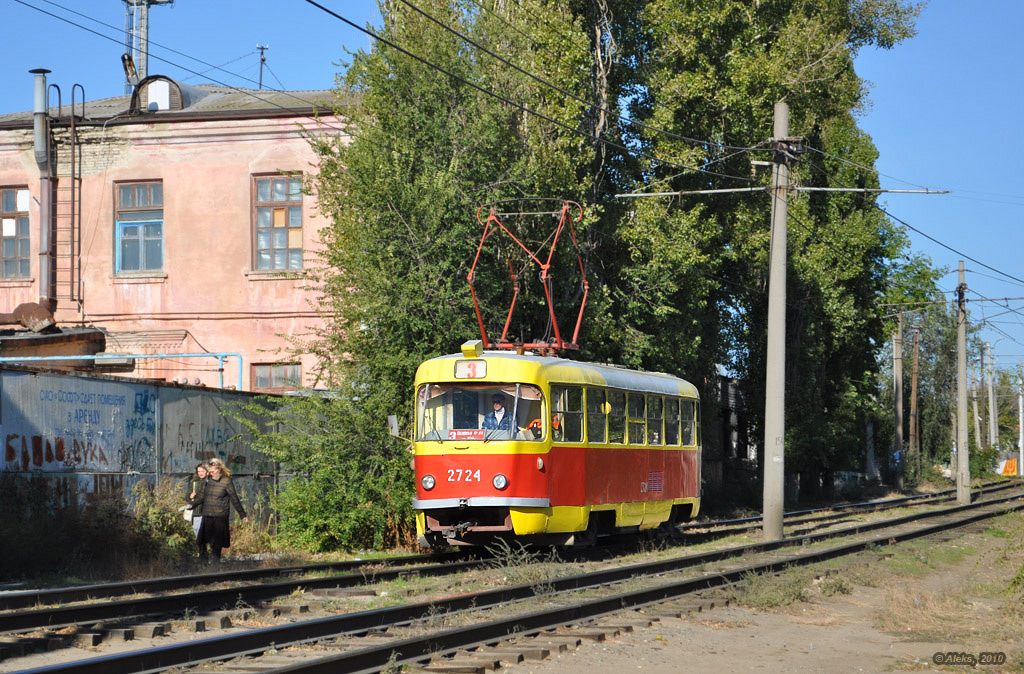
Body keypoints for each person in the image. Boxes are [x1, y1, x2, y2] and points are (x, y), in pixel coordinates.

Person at [190, 458, 248, 562]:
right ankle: (202, 563)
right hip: (207, 514)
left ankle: (216, 564)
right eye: (210, 471)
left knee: (216, 544)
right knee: (202, 541)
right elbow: (201, 496)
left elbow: (234, 498)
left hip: (220, 516)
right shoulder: (207, 481)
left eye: (213, 471)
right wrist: (191, 504)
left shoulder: (226, 481)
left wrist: (242, 515)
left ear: (220, 469)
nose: (211, 473)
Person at [186, 462, 209, 542]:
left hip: (207, 511)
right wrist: (190, 496)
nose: (200, 473)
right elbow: (187, 495)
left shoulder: (210, 482)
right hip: (196, 510)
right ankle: (202, 550)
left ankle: (205, 550)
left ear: (207, 471)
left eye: (202, 471)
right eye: (199, 471)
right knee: (196, 529)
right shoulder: (194, 482)